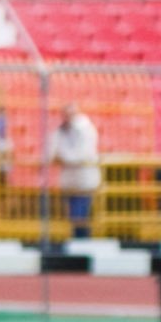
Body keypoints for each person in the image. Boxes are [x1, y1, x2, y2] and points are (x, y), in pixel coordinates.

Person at [46, 103, 101, 240]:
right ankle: (78, 238)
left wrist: (63, 157)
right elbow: (51, 152)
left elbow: (82, 154)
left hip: (84, 179)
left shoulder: (85, 129)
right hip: (70, 180)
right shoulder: (61, 131)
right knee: (73, 213)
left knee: (80, 212)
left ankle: (82, 239)